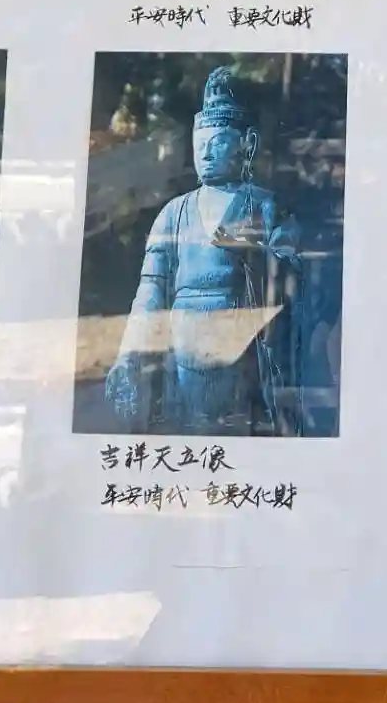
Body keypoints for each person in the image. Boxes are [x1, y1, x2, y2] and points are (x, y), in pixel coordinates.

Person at [107, 67, 303, 435]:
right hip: (183, 354)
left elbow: (291, 280)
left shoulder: (265, 207)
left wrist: (255, 253)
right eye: (200, 143)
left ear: (247, 144)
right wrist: (128, 356)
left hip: (242, 351)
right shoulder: (174, 213)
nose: (206, 152)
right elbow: (149, 291)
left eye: (218, 142)